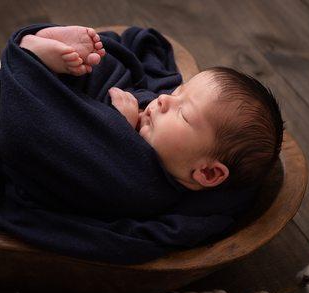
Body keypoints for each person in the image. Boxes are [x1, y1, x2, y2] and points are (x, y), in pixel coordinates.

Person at [20, 25, 283, 193]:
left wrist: (115, 128)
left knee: (40, 124)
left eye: (183, 114)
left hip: (33, 133)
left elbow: (88, 175)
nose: (164, 100)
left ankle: (32, 65)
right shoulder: (162, 130)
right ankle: (46, 63)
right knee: (109, 66)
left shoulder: (149, 189)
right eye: (179, 92)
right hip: (88, 92)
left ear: (207, 172)